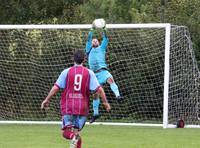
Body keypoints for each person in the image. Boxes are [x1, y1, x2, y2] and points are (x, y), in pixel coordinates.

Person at [41, 49, 111, 148]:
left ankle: (73, 136)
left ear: (73, 58)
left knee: (67, 132)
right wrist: (105, 103)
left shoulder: (67, 72)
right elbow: (99, 89)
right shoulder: (89, 73)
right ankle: (75, 137)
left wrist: (47, 99)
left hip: (69, 106)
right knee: (77, 134)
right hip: (83, 108)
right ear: (84, 59)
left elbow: (56, 87)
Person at [85, 22, 122, 124]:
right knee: (95, 94)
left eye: (96, 40)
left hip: (103, 72)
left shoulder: (102, 48)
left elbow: (106, 38)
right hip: (94, 74)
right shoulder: (88, 49)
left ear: (99, 43)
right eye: (93, 41)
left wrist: (104, 28)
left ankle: (118, 96)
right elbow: (89, 38)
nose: (94, 41)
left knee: (111, 79)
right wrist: (92, 29)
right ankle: (96, 114)